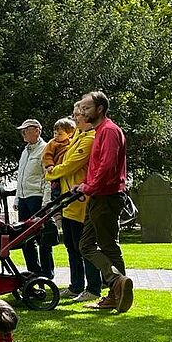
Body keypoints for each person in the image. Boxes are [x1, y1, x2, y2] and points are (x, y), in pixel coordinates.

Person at [75, 91, 133, 312]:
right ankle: (117, 282)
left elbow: (107, 166)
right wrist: (83, 184)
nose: (82, 112)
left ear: (100, 109)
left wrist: (89, 186)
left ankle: (115, 289)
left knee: (107, 245)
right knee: (86, 245)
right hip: (97, 195)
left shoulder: (109, 131)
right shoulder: (99, 131)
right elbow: (97, 166)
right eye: (81, 108)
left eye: (87, 108)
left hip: (107, 196)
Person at [46, 106, 101, 303]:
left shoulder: (89, 139)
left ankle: (93, 287)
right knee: (71, 246)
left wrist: (50, 173)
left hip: (81, 202)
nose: (75, 118)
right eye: (75, 114)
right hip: (68, 200)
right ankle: (76, 285)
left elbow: (72, 165)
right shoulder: (78, 135)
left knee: (84, 247)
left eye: (78, 115)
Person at [14, 119, 54, 279]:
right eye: (22, 130)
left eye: (26, 130)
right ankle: (33, 271)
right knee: (25, 238)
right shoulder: (25, 151)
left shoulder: (45, 149)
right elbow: (20, 177)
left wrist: (46, 200)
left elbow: (48, 178)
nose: (23, 133)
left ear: (37, 130)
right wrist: (17, 199)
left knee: (42, 237)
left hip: (37, 198)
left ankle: (47, 273)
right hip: (24, 198)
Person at [43, 118, 76, 201]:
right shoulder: (52, 143)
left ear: (69, 134)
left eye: (60, 134)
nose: (56, 136)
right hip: (56, 169)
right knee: (56, 189)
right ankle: (55, 202)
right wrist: (49, 165)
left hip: (65, 170)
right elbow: (47, 155)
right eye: (55, 133)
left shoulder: (72, 142)